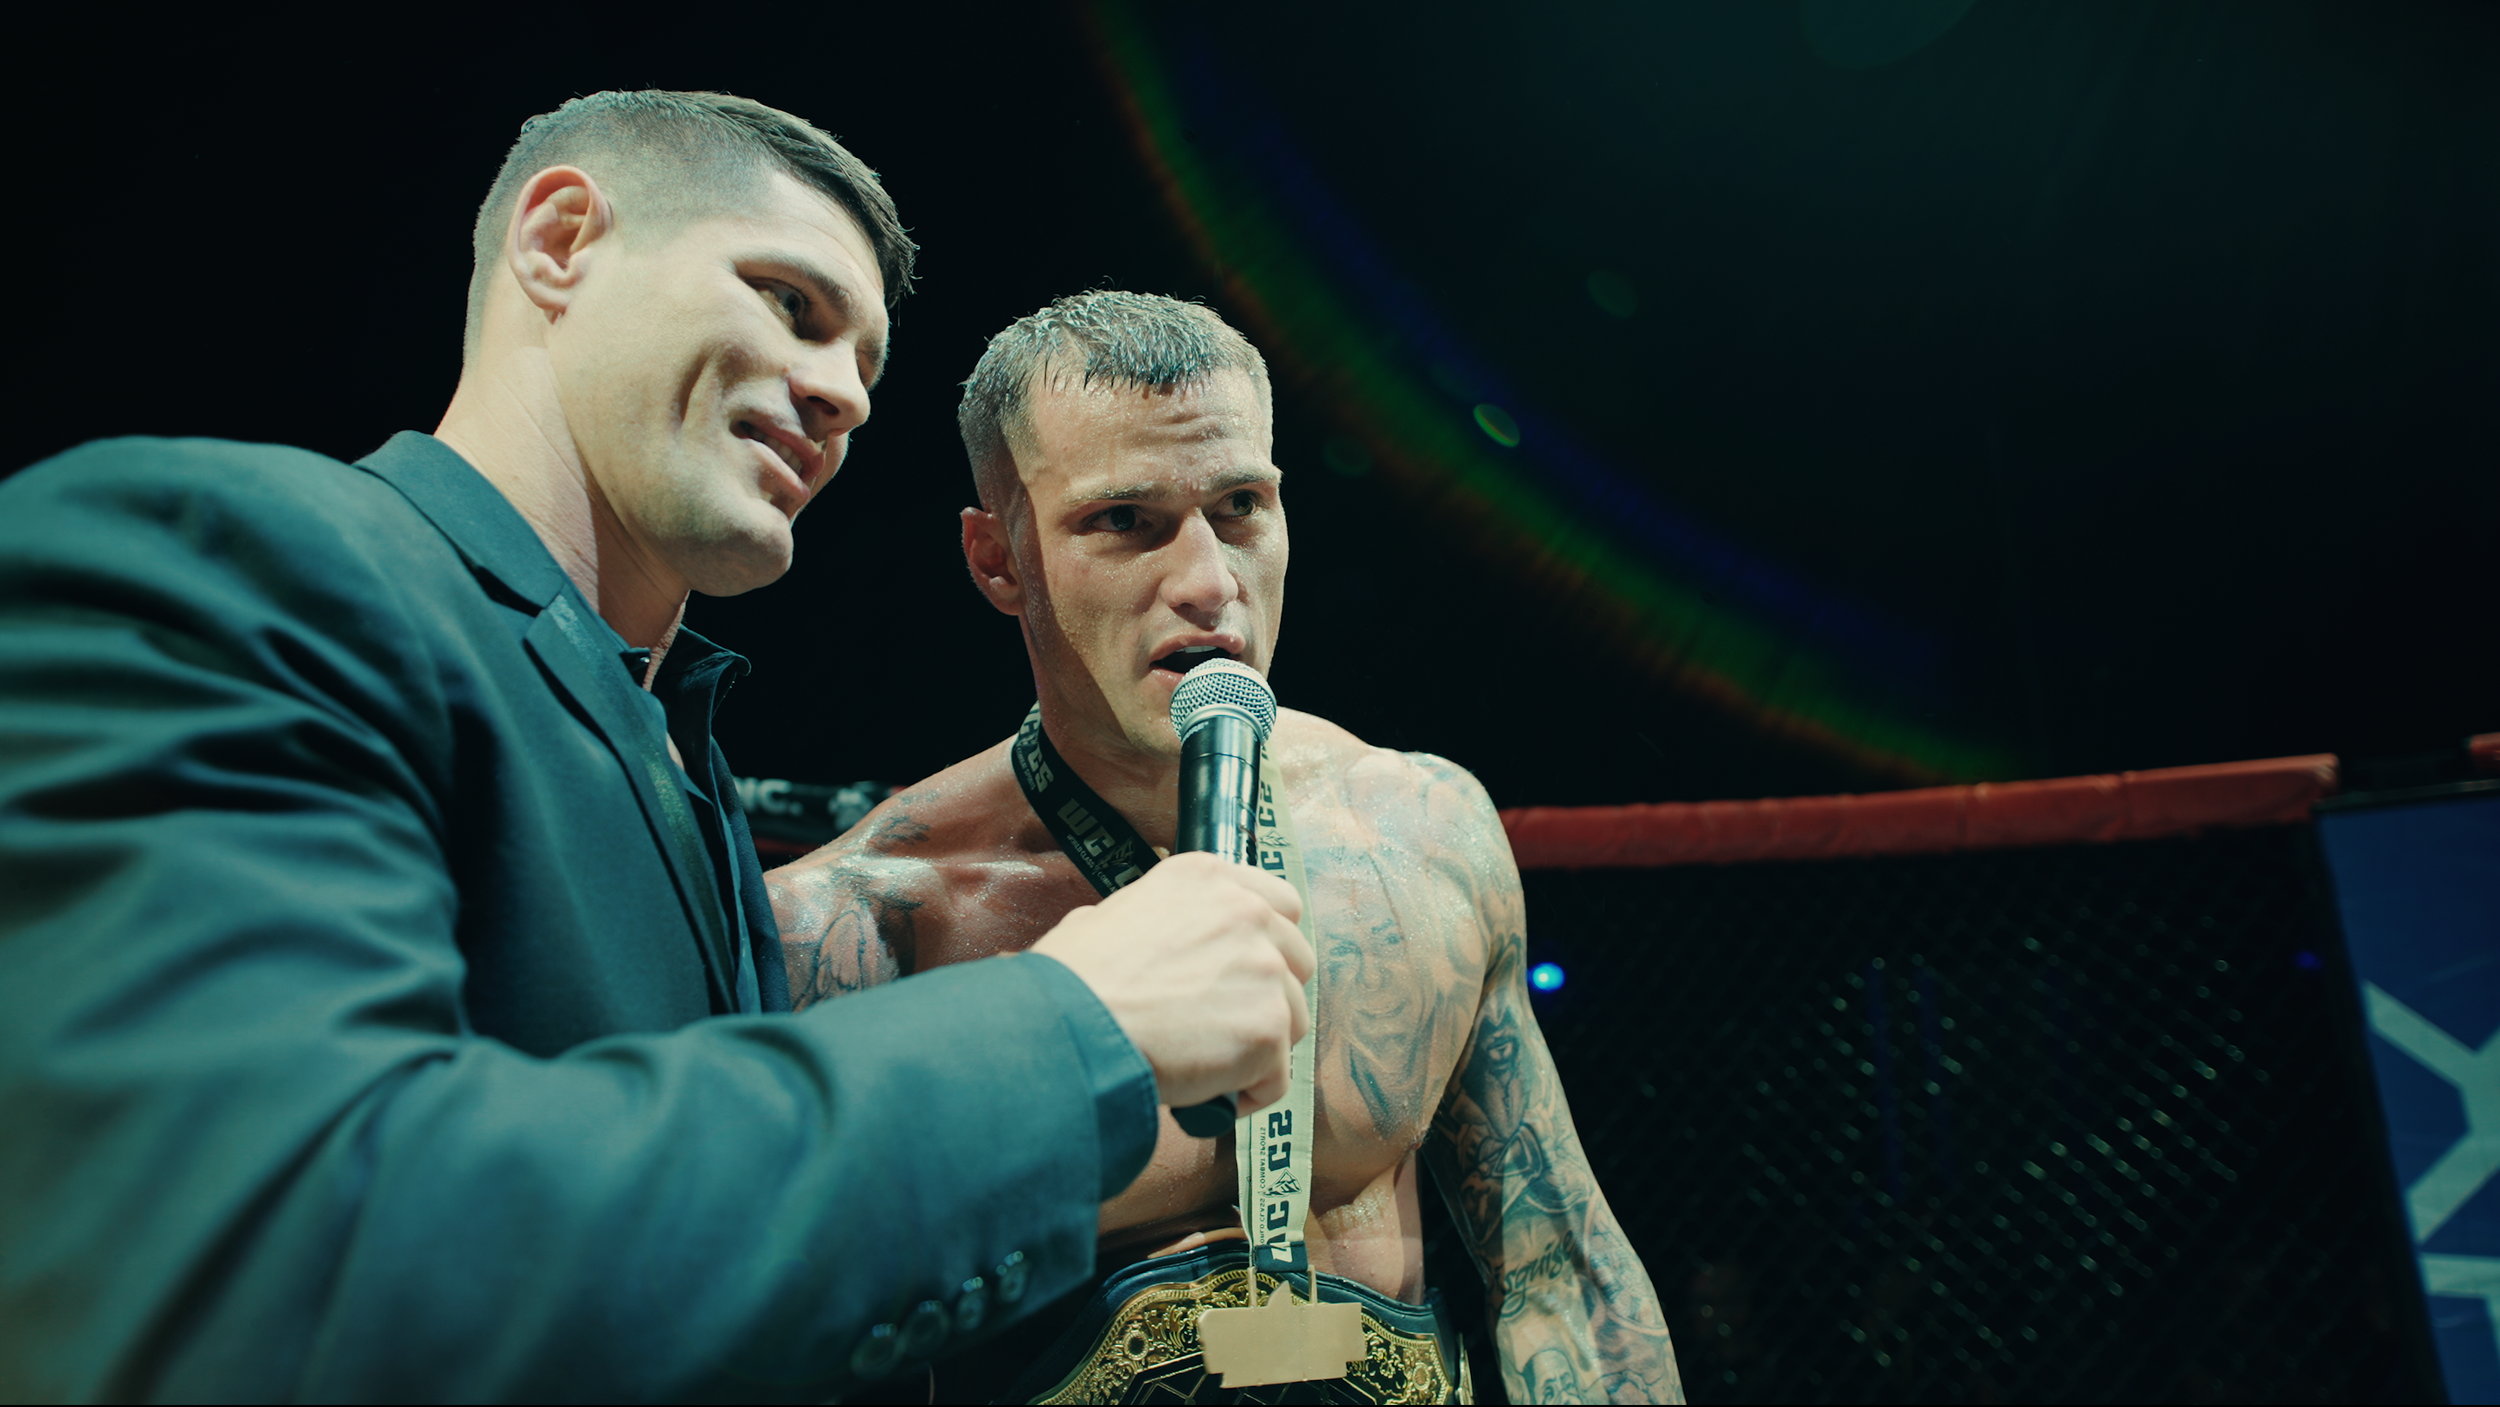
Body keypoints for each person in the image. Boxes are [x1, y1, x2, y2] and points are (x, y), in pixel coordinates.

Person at [0, 95, 1313, 1401]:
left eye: (867, 363)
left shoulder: (673, 757)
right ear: (562, 239)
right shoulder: (221, 559)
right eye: (792, 302)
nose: (841, 393)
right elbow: (269, 1268)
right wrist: (1069, 1027)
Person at [767, 291, 1684, 1403]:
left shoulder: (1422, 832)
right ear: (998, 560)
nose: (1207, 584)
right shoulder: (863, 926)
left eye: (1239, 507)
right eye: (1125, 521)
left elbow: (1556, 1272)